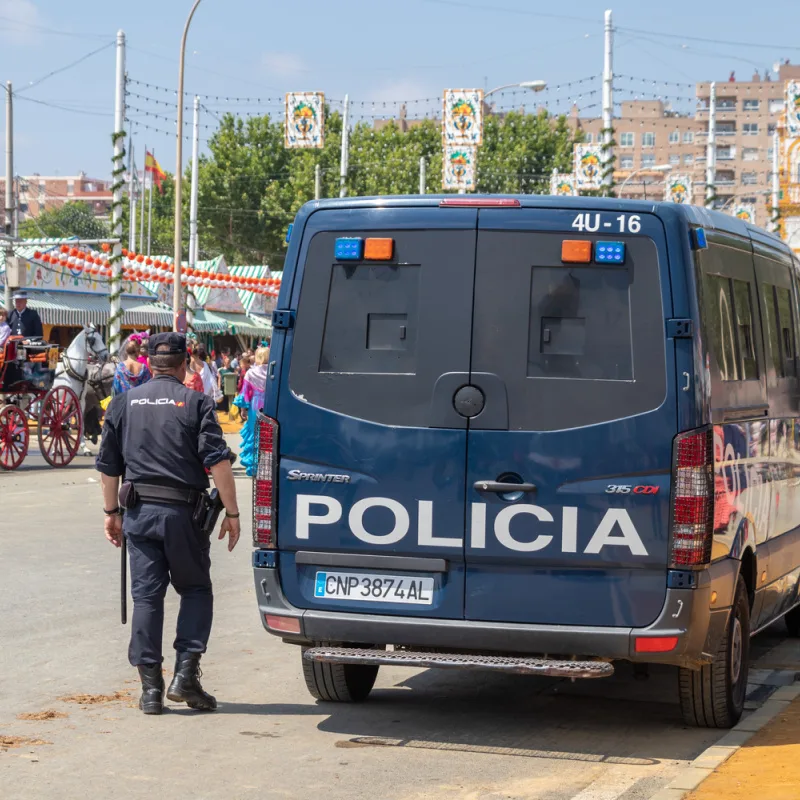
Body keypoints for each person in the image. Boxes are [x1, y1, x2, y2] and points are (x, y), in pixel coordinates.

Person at [96, 331, 240, 716]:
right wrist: (233, 513)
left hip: (138, 515)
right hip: (184, 517)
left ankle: (150, 691)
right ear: (182, 366)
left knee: (146, 597)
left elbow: (108, 467)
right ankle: (185, 677)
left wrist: (111, 514)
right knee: (195, 590)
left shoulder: (123, 403)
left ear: (148, 364)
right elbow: (219, 461)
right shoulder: (196, 403)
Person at [233, 345, 269, 477]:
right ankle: (267, 468)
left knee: (254, 435)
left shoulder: (250, 373)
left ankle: (253, 467)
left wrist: (243, 409)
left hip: (254, 406)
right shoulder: (274, 373)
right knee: (269, 436)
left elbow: (245, 393)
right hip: (270, 406)